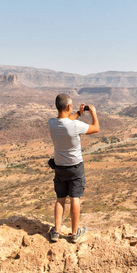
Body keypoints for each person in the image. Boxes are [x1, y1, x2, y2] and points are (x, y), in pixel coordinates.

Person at [48, 93, 99, 243]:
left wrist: (78, 114)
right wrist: (93, 113)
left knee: (60, 198)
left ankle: (56, 231)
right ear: (69, 106)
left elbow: (65, 121)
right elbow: (96, 128)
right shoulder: (76, 126)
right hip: (75, 166)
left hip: (59, 167)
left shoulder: (51, 123)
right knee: (75, 197)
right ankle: (75, 233)